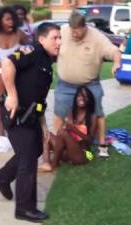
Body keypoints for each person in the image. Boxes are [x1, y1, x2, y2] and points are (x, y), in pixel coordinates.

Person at [0, 22, 61, 223]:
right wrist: (11, 94)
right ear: (41, 39)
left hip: (31, 116)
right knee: (28, 156)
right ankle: (25, 208)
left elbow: (39, 96)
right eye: (55, 37)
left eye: (60, 37)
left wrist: (44, 125)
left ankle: (2, 176)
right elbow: (7, 64)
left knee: (36, 147)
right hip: (16, 113)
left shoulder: (46, 60)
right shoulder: (32, 51)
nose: (59, 42)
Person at [53, 10, 121, 158]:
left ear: (85, 27)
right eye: (72, 31)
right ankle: (59, 144)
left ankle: (102, 145)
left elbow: (114, 50)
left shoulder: (97, 37)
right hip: (65, 84)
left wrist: (116, 63)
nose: (74, 34)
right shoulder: (63, 31)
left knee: (98, 112)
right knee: (59, 113)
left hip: (90, 84)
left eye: (77, 31)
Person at [0, 6, 28, 136]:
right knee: (1, 103)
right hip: (0, 73)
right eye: (7, 20)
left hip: (18, 73)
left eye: (12, 19)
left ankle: (18, 130)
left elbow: (30, 50)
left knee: (19, 101)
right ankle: (1, 132)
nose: (11, 22)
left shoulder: (20, 35)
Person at [39, 86, 97, 171]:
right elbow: (62, 134)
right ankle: (46, 163)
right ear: (76, 98)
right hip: (68, 151)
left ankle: (55, 164)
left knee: (63, 133)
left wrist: (74, 129)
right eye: (79, 95)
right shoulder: (71, 113)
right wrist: (66, 126)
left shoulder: (92, 116)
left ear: (89, 99)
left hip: (84, 154)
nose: (81, 98)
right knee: (48, 135)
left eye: (85, 96)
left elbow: (90, 141)